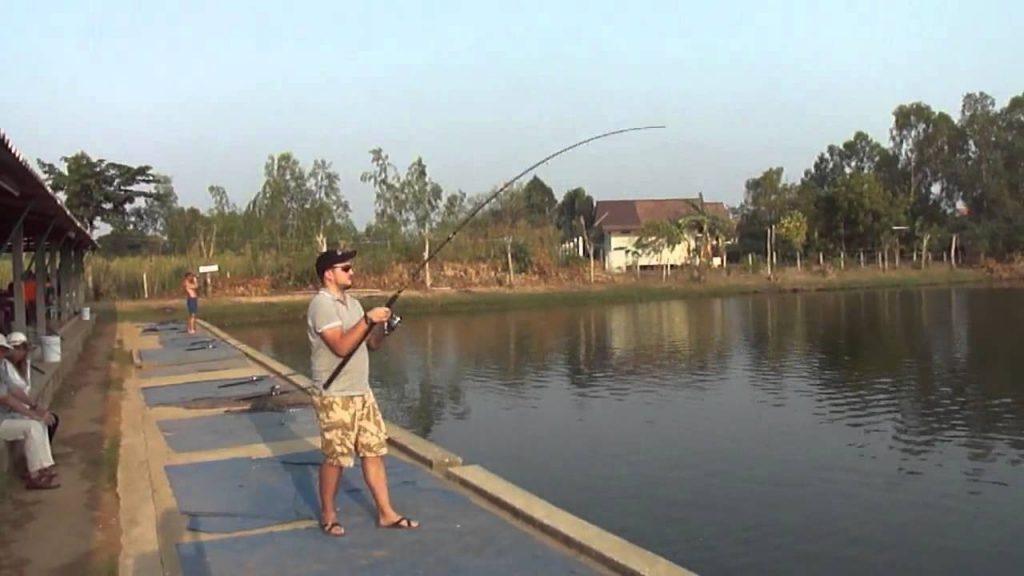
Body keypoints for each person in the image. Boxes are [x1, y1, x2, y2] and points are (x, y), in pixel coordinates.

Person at [307, 249, 419, 537]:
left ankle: (386, 513)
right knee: (336, 458)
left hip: (362, 392)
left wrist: (384, 327)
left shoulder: (354, 304)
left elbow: (371, 344)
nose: (352, 272)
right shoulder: (321, 305)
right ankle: (328, 514)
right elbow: (341, 346)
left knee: (374, 451)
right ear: (329, 273)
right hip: (335, 396)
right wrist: (368, 320)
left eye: (351, 267)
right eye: (346, 268)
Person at [0, 334, 59, 490]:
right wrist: (32, 413)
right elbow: (6, 399)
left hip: (5, 417)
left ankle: (43, 467)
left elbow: (15, 390)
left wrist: (34, 407)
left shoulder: (2, 367)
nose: (2, 353)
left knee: (39, 422)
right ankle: (34, 476)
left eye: (3, 350)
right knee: (32, 426)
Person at [4, 331, 59, 441]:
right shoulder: (5, 367)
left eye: (22, 348)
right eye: (16, 348)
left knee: (53, 419)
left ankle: (45, 450)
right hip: (11, 412)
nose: (20, 352)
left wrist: (34, 408)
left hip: (23, 408)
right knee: (39, 422)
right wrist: (32, 413)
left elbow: (21, 391)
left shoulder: (25, 364)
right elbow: (11, 396)